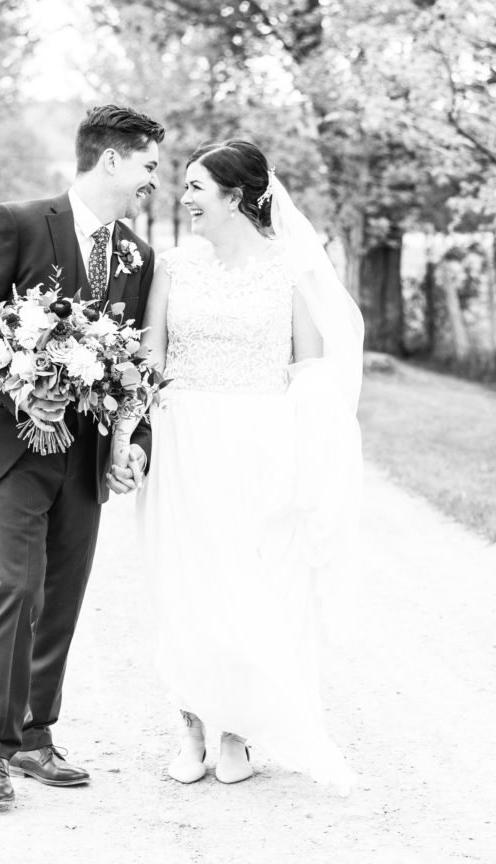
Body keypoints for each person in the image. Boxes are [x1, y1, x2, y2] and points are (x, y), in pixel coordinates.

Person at [0, 105, 164, 804]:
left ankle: (37, 739)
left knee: (61, 597)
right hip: (9, 444)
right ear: (113, 160)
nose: (155, 179)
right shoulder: (21, 221)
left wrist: (137, 443)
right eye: (150, 165)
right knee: (15, 589)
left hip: (85, 458)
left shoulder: (138, 256)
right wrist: (22, 388)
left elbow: (135, 368)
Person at [135, 139, 363, 792]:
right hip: (182, 442)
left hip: (258, 444)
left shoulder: (289, 269)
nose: (184, 198)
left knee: (248, 587)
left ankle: (235, 730)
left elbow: (312, 368)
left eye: (197, 187)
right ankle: (190, 728)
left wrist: (312, 453)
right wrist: (133, 424)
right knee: (181, 584)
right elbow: (152, 351)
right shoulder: (174, 266)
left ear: (235, 198)